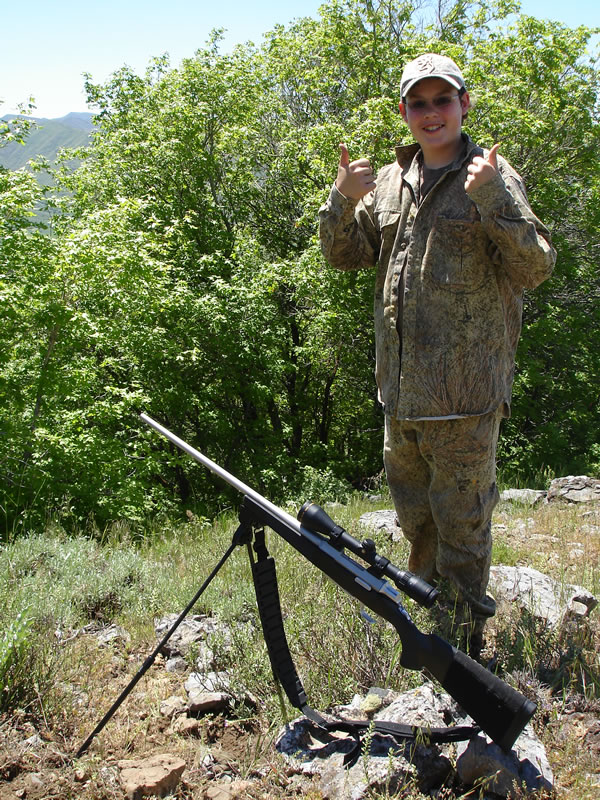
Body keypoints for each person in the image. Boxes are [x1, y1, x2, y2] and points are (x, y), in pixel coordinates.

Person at [318, 53, 555, 658]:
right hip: (401, 395)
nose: (430, 113)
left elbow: (535, 268)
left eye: (441, 100)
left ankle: (464, 651)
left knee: (464, 527)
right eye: (418, 103)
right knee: (416, 523)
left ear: (463, 104)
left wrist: (495, 197)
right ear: (404, 112)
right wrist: (341, 201)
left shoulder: (491, 176)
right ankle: (424, 633)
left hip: (465, 399)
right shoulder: (392, 182)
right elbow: (348, 256)